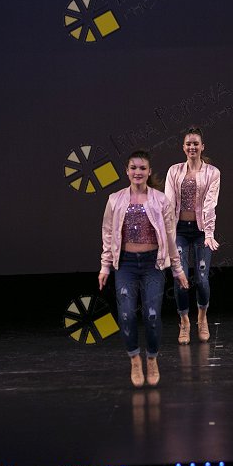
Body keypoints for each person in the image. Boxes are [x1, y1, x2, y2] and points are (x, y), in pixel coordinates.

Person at [99, 150, 189, 388]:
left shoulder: (160, 200)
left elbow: (170, 236)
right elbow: (108, 234)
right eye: (133, 168)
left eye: (142, 168)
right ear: (127, 171)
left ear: (149, 172)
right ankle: (134, 360)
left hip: (152, 264)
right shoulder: (115, 199)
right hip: (126, 264)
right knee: (126, 315)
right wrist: (105, 266)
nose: (137, 172)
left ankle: (151, 359)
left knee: (152, 315)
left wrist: (178, 269)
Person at [164, 126, 221, 345]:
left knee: (203, 280)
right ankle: (185, 321)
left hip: (201, 231)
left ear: (202, 146)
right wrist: (168, 236)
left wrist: (209, 233)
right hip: (179, 230)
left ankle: (202, 318)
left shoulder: (212, 173)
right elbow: (168, 204)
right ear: (183, 147)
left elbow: (210, 204)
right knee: (180, 279)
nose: (192, 147)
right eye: (188, 144)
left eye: (196, 143)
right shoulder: (174, 171)